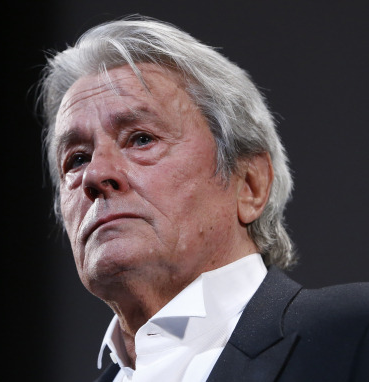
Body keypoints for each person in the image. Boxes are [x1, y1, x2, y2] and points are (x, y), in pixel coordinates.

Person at [36, 15, 369, 382]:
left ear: (250, 185)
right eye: (77, 159)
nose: (96, 175)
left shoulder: (354, 335)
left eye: (141, 139)